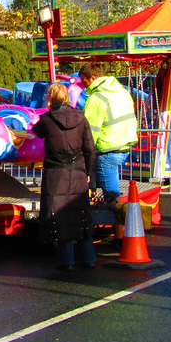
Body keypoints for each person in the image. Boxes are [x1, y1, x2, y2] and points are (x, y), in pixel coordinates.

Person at [31, 83, 97, 271]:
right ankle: (89, 258)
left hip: (55, 172)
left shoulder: (47, 120)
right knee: (81, 214)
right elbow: (89, 149)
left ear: (50, 98)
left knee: (60, 216)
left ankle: (67, 261)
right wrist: (88, 173)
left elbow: (36, 132)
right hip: (77, 170)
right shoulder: (81, 118)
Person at [78, 63, 138, 203]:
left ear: (93, 78)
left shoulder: (97, 98)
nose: (84, 86)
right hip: (123, 145)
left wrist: (83, 152)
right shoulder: (121, 91)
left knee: (112, 199)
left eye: (85, 82)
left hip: (107, 149)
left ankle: (118, 221)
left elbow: (90, 131)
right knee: (112, 189)